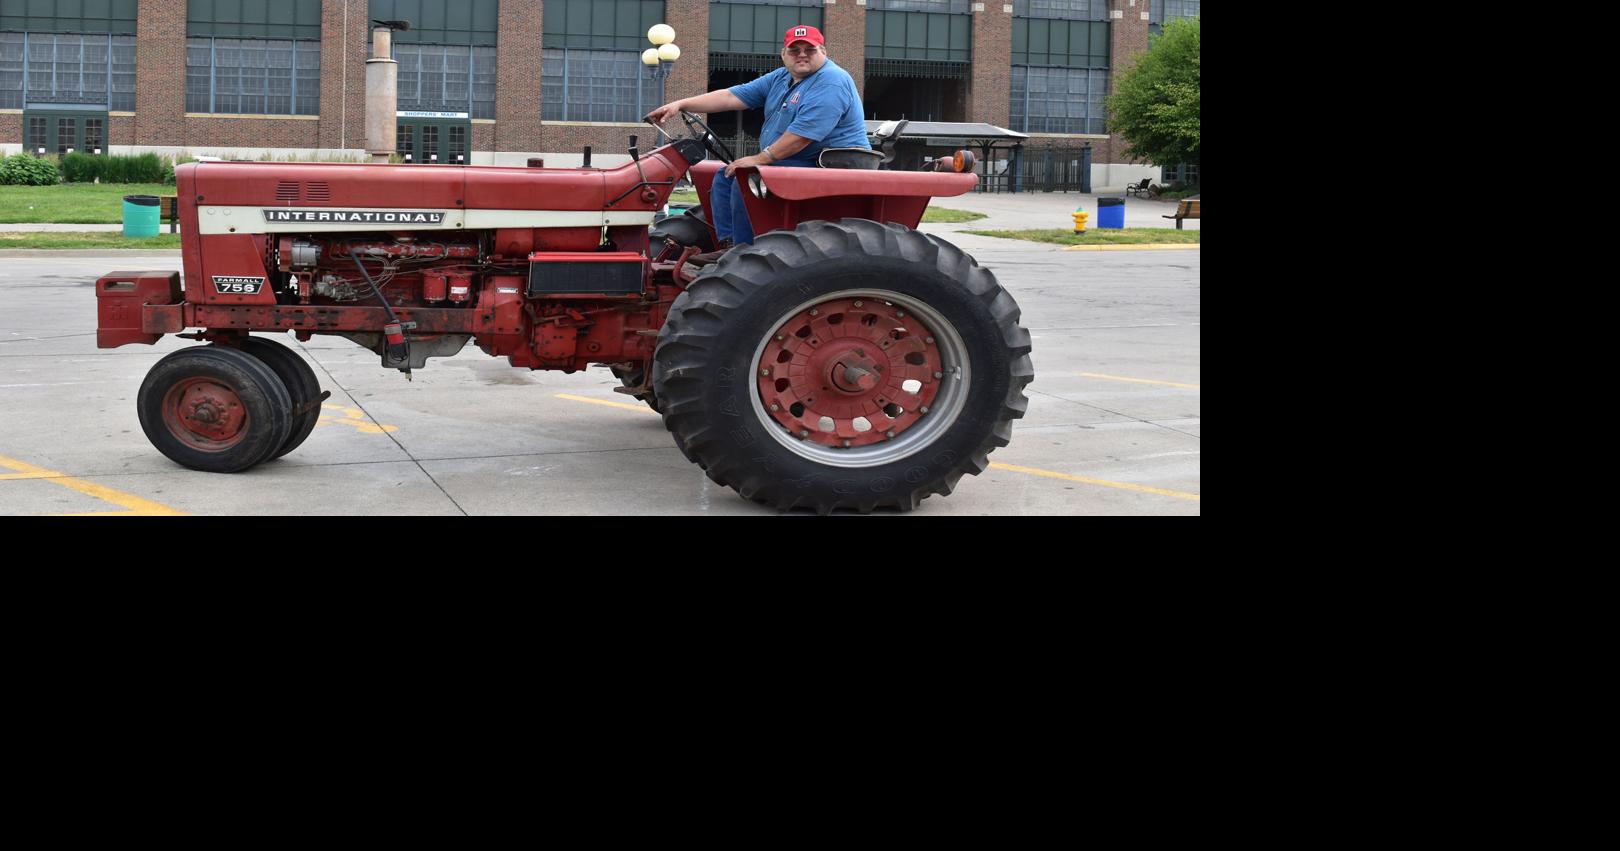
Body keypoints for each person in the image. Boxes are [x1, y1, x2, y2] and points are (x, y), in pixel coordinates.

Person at [647, 24, 870, 249]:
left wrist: (760, 159)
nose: (801, 54)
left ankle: (742, 251)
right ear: (784, 54)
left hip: (829, 165)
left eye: (809, 49)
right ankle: (728, 246)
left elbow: (803, 136)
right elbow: (731, 97)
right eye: (794, 50)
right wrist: (681, 104)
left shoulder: (831, 80)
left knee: (746, 176)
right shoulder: (781, 78)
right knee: (724, 176)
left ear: (823, 51)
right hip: (796, 161)